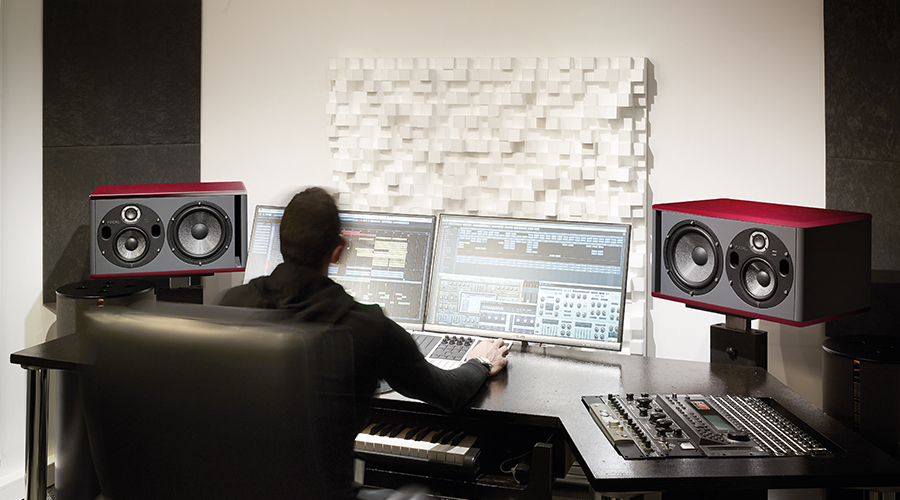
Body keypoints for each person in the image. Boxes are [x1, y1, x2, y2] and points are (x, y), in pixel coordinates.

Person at [220, 187, 509, 499]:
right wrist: (480, 362)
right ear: (338, 251)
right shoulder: (368, 327)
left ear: (281, 242)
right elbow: (447, 393)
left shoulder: (231, 304)